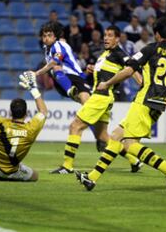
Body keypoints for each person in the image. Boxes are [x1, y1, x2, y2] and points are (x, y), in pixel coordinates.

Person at [75, 17, 166, 193]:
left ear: (157, 34)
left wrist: (107, 83)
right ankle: (91, 178)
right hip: (160, 105)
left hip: (144, 101)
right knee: (116, 137)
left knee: (128, 144)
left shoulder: (152, 49)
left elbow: (129, 70)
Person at [51, 25, 143, 174]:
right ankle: (134, 161)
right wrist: (93, 70)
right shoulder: (105, 54)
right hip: (105, 97)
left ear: (117, 39)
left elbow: (131, 67)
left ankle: (67, 166)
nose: (106, 38)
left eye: (110, 35)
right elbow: (108, 72)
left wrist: (141, 83)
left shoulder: (119, 52)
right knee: (103, 136)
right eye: (105, 35)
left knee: (75, 126)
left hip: (101, 97)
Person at [35, 22, 90, 104]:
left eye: (49, 35)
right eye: (44, 36)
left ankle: (70, 90)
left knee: (87, 106)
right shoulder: (47, 50)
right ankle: (70, 91)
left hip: (74, 77)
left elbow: (54, 62)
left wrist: (37, 73)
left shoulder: (58, 45)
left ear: (55, 37)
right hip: (62, 82)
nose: (46, 38)